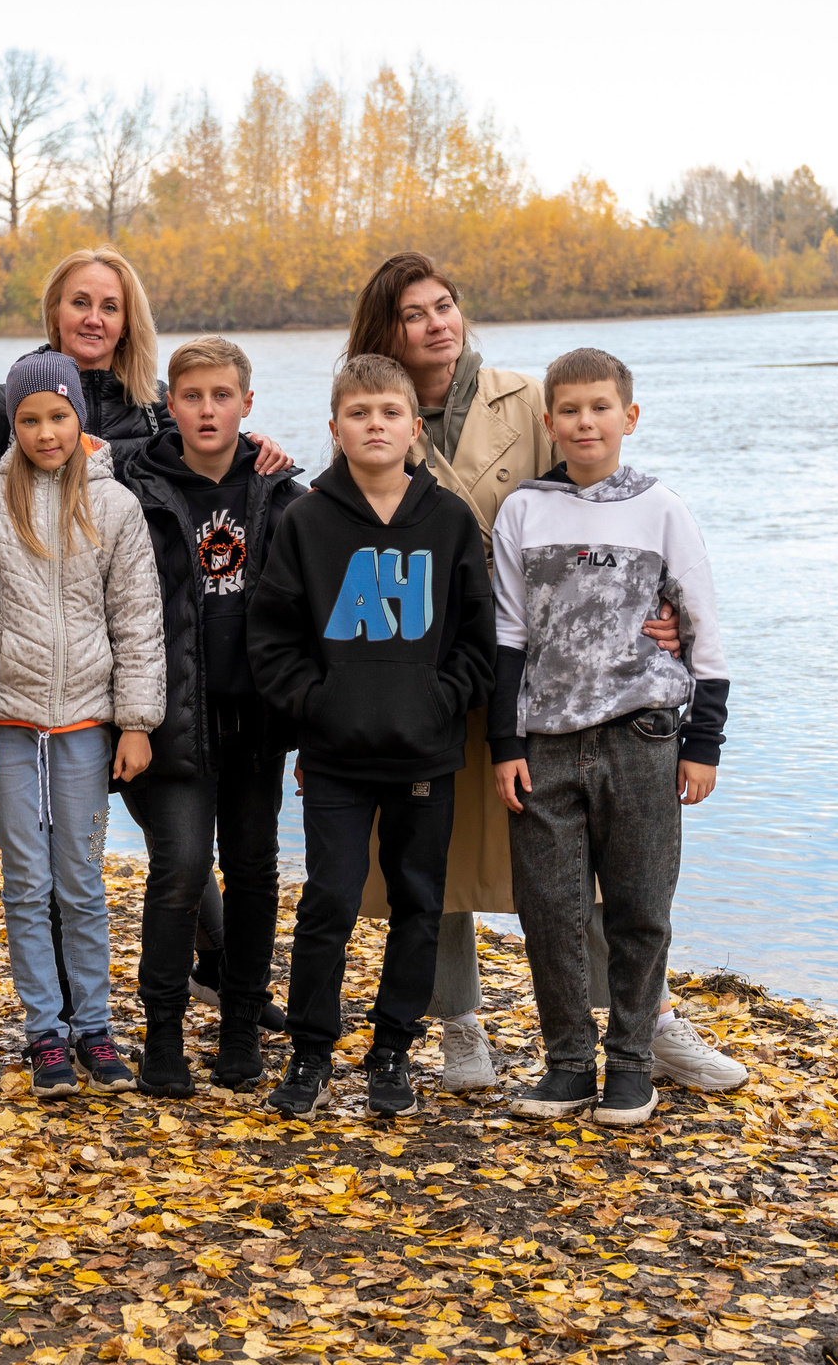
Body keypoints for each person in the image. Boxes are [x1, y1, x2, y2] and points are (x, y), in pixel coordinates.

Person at [346, 252, 745, 1096]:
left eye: (446, 305)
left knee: (591, 860)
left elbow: (608, 497)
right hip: (428, 666)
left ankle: (654, 1023)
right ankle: (461, 1029)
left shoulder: (527, 399)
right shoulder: (372, 411)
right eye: (415, 313)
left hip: (552, 674)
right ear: (388, 329)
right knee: (435, 855)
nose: (437, 324)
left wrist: (650, 613)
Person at [247, 354, 496, 1120]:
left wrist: (439, 702)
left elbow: (478, 641)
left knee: (420, 902)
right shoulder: (307, 520)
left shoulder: (448, 520)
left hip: (425, 752)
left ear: (413, 428)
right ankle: (311, 1053)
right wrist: (318, 706)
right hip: (336, 760)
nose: (376, 425)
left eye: (390, 413)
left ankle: (393, 1049)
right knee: (328, 900)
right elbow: (272, 639)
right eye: (359, 414)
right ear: (336, 428)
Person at [491, 348, 731, 1126]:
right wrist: (505, 742)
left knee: (639, 906)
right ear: (549, 421)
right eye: (569, 409)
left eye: (600, 407)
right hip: (548, 743)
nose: (585, 422)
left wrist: (704, 743)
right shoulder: (524, 511)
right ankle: (566, 1064)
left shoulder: (662, 508)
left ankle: (632, 1064)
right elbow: (508, 635)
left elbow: (702, 627)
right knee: (550, 910)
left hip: (645, 738)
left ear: (628, 417)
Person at [0, 351, 168, 1100]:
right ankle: (44, 1030)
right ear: (13, 424)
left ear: (78, 420)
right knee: (25, 881)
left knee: (82, 882)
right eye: (30, 419)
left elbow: (138, 622)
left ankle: (94, 1028)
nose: (45, 431)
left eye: (58, 416)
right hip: (6, 722)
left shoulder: (115, 508)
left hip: (85, 725)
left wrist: (135, 720)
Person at [115, 336, 305, 1096]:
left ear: (246, 405)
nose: (206, 409)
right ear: (170, 403)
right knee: (181, 870)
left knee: (255, 874)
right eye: (191, 396)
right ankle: (161, 1034)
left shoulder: (281, 494)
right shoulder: (138, 487)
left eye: (221, 396)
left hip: (256, 720)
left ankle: (239, 1026)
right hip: (172, 719)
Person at [0, 246, 294, 506]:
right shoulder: (10, 405)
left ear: (127, 324)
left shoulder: (155, 404)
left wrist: (255, 448)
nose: (93, 319)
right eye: (80, 302)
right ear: (56, 312)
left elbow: (214, 459)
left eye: (110, 307)